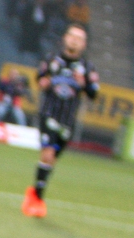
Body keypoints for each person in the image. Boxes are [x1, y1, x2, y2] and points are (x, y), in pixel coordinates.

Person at [21, 24, 99, 218]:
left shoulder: (87, 68)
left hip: (68, 119)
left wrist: (83, 84)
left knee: (52, 159)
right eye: (72, 36)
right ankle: (37, 201)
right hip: (49, 113)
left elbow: (94, 93)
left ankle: (35, 192)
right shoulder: (51, 59)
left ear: (84, 44)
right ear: (65, 38)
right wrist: (43, 83)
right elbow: (39, 78)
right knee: (47, 153)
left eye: (79, 38)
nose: (74, 40)